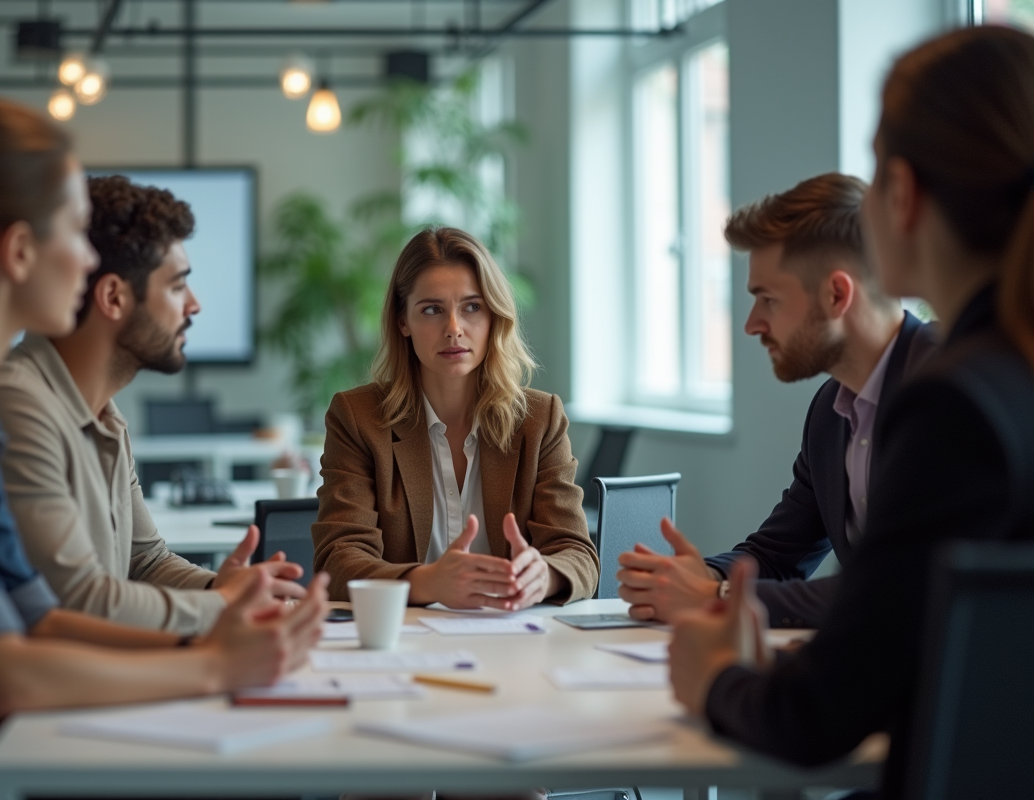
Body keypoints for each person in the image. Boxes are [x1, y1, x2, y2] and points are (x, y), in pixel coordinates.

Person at [0, 97, 327, 800]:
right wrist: (216, 664)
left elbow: (40, 618)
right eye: (74, 230)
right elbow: (3, 675)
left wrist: (211, 642)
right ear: (18, 251)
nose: (91, 260)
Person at [667, 26, 1034, 798]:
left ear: (902, 191)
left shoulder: (957, 403)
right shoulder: (1001, 374)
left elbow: (817, 714)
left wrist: (714, 675)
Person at [0, 175, 303, 636]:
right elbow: (79, 600)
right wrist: (222, 606)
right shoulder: (17, 405)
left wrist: (223, 588)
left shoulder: (105, 414)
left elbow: (146, 562)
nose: (194, 305)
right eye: (177, 287)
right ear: (114, 297)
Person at [616, 173, 937, 628]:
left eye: (767, 299)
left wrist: (717, 597)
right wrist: (698, 577)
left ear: (837, 295)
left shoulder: (943, 390)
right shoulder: (831, 410)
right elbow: (778, 555)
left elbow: (895, 585)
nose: (752, 324)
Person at [312, 227, 599, 609]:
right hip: (402, 637)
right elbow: (337, 561)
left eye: (472, 307)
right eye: (432, 310)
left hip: (513, 633)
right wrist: (428, 583)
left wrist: (544, 576)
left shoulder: (539, 420)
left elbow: (578, 554)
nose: (453, 329)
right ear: (402, 321)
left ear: (494, 315)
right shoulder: (358, 419)